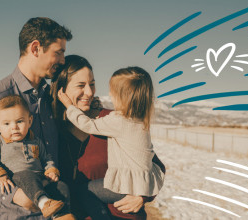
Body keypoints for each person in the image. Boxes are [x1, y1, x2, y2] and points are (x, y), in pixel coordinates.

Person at [0, 17, 72, 219]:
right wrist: (15, 195)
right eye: (58, 52)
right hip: (15, 214)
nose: (62, 60)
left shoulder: (50, 97)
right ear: (35, 48)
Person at [50, 55, 166, 219]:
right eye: (81, 85)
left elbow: (156, 166)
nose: (89, 92)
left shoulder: (113, 121)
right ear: (62, 89)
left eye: (92, 84)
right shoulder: (52, 129)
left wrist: (141, 196)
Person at [0, 95, 75, 219]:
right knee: (25, 175)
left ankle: (60, 214)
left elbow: (46, 158)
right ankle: (43, 202)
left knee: (61, 186)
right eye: (7, 123)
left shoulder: (35, 141)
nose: (14, 127)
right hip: (17, 179)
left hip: (40, 179)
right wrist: (0, 175)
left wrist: (50, 169)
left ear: (29, 121)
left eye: (19, 121)